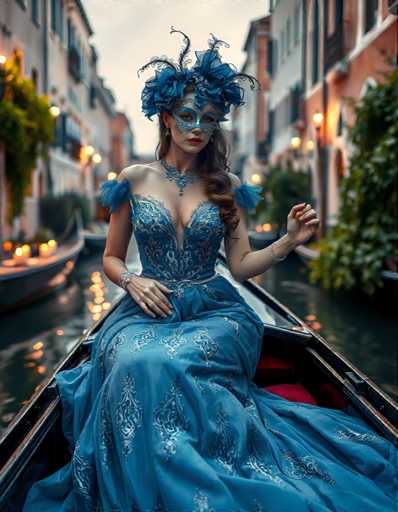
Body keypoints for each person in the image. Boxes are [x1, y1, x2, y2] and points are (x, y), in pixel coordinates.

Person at [23, 28, 397, 512]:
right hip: (145, 309)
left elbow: (241, 267)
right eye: (187, 115)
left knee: (159, 363)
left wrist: (286, 242)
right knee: (135, 361)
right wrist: (133, 280)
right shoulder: (133, 180)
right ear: (166, 117)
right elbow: (112, 259)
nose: (198, 127)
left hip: (216, 313)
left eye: (209, 119)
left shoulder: (228, 185)